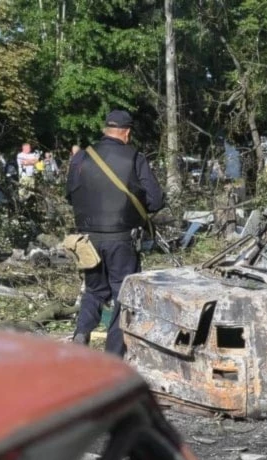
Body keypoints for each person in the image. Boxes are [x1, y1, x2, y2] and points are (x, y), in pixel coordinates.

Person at [67, 109, 163, 356]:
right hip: (122, 237)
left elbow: (70, 194)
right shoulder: (134, 157)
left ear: (105, 130)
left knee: (94, 290)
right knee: (124, 293)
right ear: (127, 132)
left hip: (87, 238)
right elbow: (156, 200)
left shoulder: (82, 157)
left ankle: (82, 332)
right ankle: (113, 353)